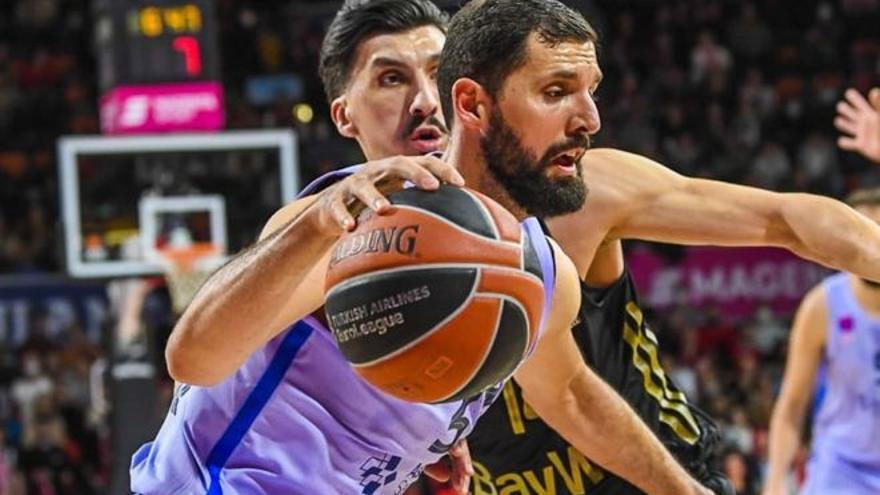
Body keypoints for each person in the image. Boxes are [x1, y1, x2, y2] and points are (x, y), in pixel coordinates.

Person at [129, 0, 713, 494]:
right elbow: (193, 360)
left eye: (434, 73)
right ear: (345, 116)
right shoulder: (352, 225)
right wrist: (316, 230)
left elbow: (570, 394)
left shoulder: (543, 270)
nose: (423, 101)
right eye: (390, 78)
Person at [316, 1, 880, 493]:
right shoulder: (358, 252)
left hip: (662, 478)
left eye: (435, 74)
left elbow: (788, 219)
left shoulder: (583, 192)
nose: (422, 100)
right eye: (557, 92)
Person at [761, 88, 880, 495]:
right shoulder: (824, 304)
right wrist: (776, 479)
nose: (868, 247)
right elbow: (792, 406)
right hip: (841, 471)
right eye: (859, 237)